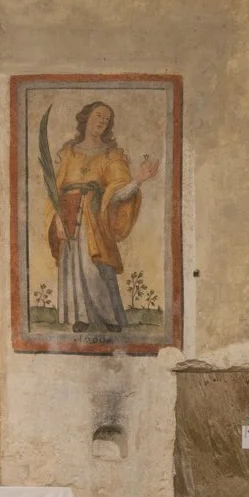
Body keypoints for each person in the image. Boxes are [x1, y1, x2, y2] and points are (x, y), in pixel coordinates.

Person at [48, 101, 158, 332]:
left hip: (95, 216)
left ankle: (109, 317)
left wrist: (138, 179)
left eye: (106, 119)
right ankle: (80, 317)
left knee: (96, 266)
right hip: (68, 214)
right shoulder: (69, 151)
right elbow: (55, 189)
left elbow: (119, 193)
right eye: (98, 116)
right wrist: (58, 217)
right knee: (73, 265)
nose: (101, 122)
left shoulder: (111, 155)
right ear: (86, 118)